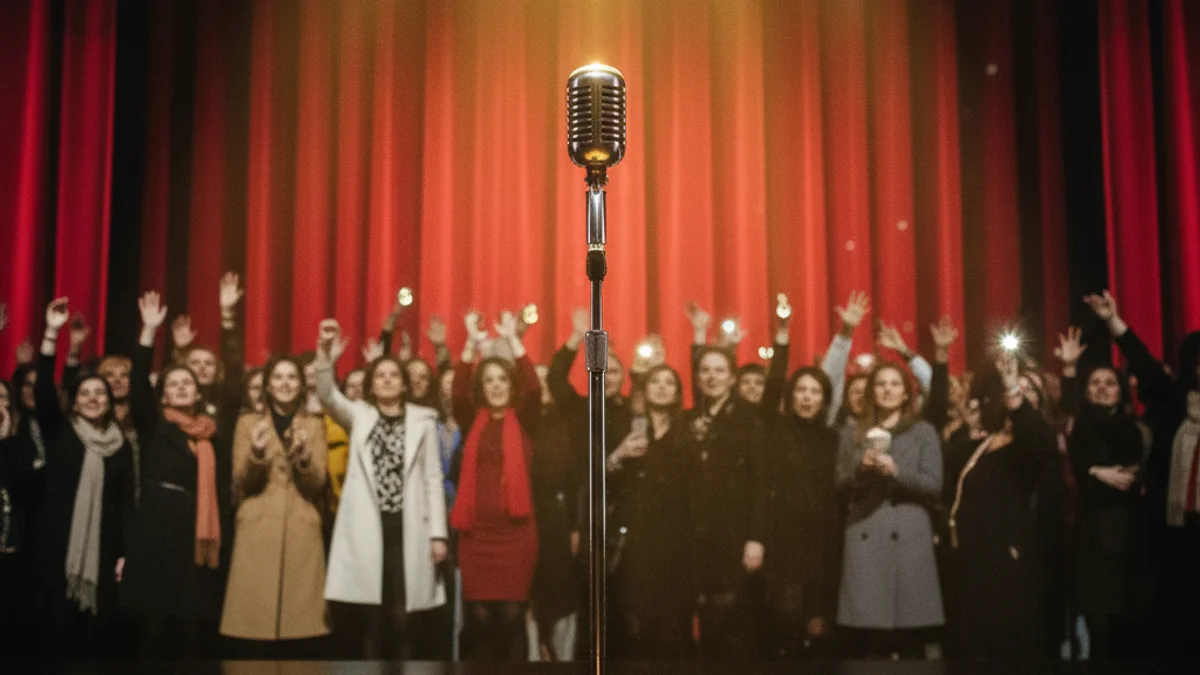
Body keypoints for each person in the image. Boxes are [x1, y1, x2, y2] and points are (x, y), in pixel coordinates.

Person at [314, 319, 448, 659]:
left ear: (404, 385)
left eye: (393, 375)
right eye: (381, 376)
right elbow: (327, 394)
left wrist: (438, 535)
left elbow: (433, 478)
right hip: (369, 530)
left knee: (403, 620)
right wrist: (325, 353)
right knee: (372, 622)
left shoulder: (423, 420)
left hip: (409, 530)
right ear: (372, 386)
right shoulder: (359, 416)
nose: (387, 380)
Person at [1084, 290, 1200, 659]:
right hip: (1173, 529)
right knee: (1174, 617)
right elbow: (1145, 364)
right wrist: (1113, 322)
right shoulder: (1175, 401)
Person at [120, 291, 230, 659]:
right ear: (163, 396)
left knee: (191, 624)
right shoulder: (155, 425)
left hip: (194, 533)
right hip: (157, 527)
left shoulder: (210, 432)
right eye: (174, 384)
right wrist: (149, 331)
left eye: (189, 384)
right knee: (155, 625)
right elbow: (137, 387)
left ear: (199, 394)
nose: (183, 387)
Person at [32, 297, 136, 660]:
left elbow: (125, 505)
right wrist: (51, 334)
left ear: (110, 401)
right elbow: (44, 391)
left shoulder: (121, 447)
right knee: (57, 642)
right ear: (74, 403)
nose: (92, 399)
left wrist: (124, 554)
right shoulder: (61, 432)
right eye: (85, 394)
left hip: (104, 557)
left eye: (99, 393)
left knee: (96, 646)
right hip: (56, 553)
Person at [942, 354, 1056, 660]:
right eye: (1012, 388)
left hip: (1008, 557)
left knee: (1006, 642)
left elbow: (1044, 443)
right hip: (973, 558)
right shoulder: (982, 444)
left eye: (1026, 389)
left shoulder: (1026, 447)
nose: (1017, 393)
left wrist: (1013, 391)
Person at [219, 354, 329, 656]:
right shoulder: (248, 423)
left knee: (300, 639)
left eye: (292, 377)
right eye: (278, 377)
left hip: (300, 531)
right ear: (267, 385)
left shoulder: (314, 424)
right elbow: (242, 481)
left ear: (302, 384)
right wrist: (255, 452)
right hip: (258, 531)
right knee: (255, 638)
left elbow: (317, 483)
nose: (285, 383)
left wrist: (304, 458)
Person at [835, 362, 943, 659]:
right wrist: (863, 468)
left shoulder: (923, 432)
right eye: (881, 384)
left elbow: (933, 484)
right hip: (866, 534)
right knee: (871, 641)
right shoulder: (853, 431)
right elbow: (841, 484)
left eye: (895, 384)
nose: (887, 390)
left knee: (909, 639)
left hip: (908, 536)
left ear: (906, 394)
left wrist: (897, 471)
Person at [450, 310, 541, 661]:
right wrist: (472, 343)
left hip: (516, 537)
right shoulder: (473, 419)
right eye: (489, 380)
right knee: (480, 618)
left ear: (510, 384)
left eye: (502, 378)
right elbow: (458, 391)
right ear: (482, 387)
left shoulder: (526, 421)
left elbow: (533, 386)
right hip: (476, 537)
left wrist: (513, 339)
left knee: (513, 617)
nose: (496, 385)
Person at [1057, 327, 1150, 658]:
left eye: (1109, 383)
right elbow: (1080, 465)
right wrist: (1095, 471)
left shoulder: (1129, 429)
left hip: (1121, 532)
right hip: (1088, 533)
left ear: (1121, 392)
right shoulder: (1082, 425)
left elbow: (1126, 478)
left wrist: (1091, 470)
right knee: (1094, 620)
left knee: (1119, 622)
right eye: (1095, 383)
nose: (1102, 388)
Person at [677, 346, 769, 660]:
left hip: (735, 533)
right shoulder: (691, 418)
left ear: (732, 378)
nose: (711, 377)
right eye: (705, 370)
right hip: (697, 535)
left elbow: (760, 482)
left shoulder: (750, 417)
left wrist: (756, 538)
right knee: (704, 619)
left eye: (719, 371)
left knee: (733, 623)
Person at [607, 364, 690, 659]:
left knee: (670, 628)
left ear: (679, 393)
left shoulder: (689, 429)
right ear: (644, 387)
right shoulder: (625, 425)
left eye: (670, 382)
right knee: (634, 625)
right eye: (656, 381)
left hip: (676, 542)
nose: (663, 386)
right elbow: (598, 478)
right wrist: (618, 456)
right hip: (635, 540)